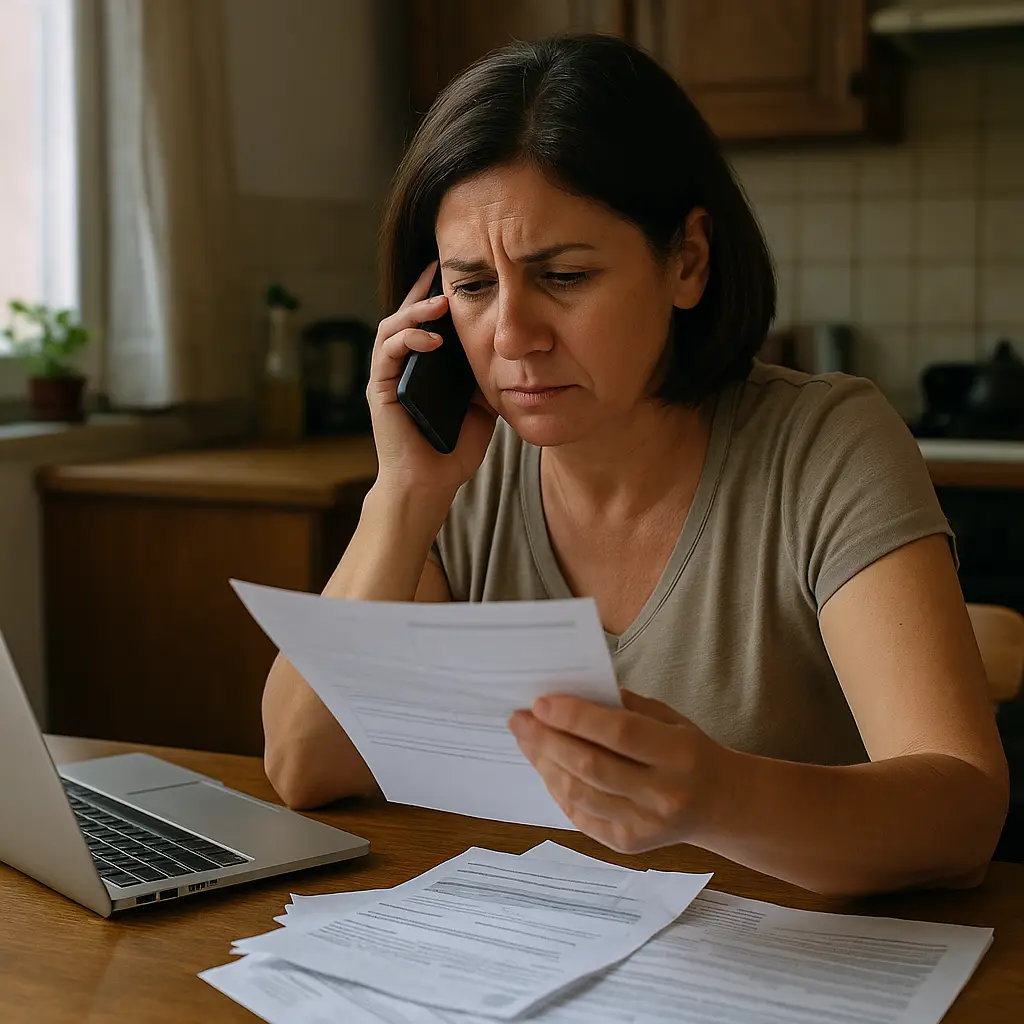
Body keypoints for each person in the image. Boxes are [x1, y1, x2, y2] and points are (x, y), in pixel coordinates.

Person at [262, 34, 1007, 896]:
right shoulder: (461, 474)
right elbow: (304, 762)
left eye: (564, 276)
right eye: (472, 287)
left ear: (687, 261)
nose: (512, 337)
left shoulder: (826, 443)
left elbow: (964, 816)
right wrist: (402, 495)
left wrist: (721, 796)